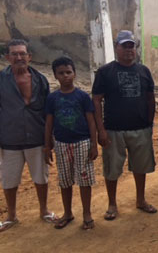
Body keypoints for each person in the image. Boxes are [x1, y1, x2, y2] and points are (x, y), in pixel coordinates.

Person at [92, 30, 157, 220]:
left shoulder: (144, 71)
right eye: (125, 46)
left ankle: (141, 200)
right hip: (113, 129)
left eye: (132, 46)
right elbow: (96, 100)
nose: (129, 50)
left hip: (140, 128)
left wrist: (150, 123)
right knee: (112, 169)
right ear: (117, 48)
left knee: (140, 166)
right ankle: (112, 204)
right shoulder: (105, 72)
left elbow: (150, 98)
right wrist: (100, 130)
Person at [0, 39, 57, 232]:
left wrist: (50, 140)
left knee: (41, 177)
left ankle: (44, 210)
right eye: (14, 54)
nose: (18, 57)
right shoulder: (1, 80)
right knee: (9, 180)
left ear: (29, 57)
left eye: (22, 53)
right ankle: (11, 216)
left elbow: (48, 112)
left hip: (36, 137)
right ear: (8, 57)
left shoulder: (40, 80)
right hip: (9, 139)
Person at [44, 57, 97, 230]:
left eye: (69, 72)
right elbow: (49, 123)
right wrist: (47, 145)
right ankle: (67, 213)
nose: (66, 76)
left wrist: (94, 144)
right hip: (61, 143)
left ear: (74, 73)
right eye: (61, 73)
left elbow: (91, 121)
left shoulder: (82, 96)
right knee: (65, 180)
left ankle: (87, 214)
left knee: (84, 179)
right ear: (55, 76)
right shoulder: (52, 98)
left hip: (82, 142)